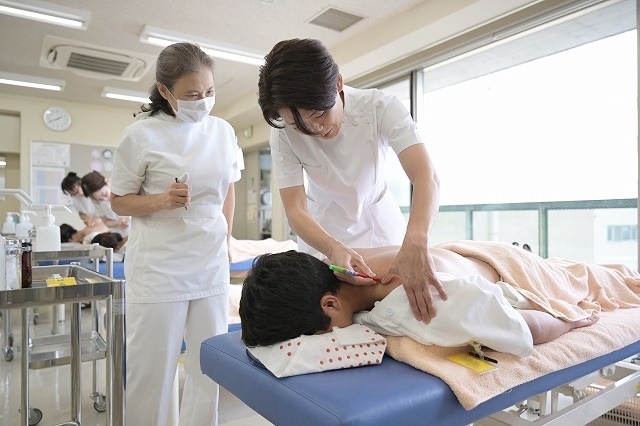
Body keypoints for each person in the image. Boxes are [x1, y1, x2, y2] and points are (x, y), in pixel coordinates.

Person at [258, 38, 443, 323]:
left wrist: (416, 242)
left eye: (319, 114)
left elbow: (425, 175)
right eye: (298, 125)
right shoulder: (283, 134)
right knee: (329, 321)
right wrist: (332, 248)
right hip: (322, 234)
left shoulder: (380, 108)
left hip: (380, 228)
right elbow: (295, 209)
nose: (315, 129)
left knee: (395, 313)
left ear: (338, 83)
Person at [109, 42, 242, 426]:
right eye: (192, 94)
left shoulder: (222, 131)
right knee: (152, 371)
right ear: (165, 91)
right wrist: (161, 201)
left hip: (210, 261)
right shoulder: (140, 135)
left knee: (208, 366)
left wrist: (227, 240)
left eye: (209, 91)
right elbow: (118, 202)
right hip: (159, 265)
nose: (203, 101)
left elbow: (228, 188)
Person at [237, 242, 640, 354]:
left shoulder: (416, 305)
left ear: (329, 305)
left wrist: (570, 319)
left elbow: (523, 330)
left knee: (611, 284)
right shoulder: (344, 266)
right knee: (591, 271)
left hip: (514, 270)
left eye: (318, 336)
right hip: (479, 254)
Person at [80, 171, 130, 235]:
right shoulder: (96, 202)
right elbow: (106, 222)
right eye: (100, 199)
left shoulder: (122, 185)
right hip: (120, 232)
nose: (104, 199)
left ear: (107, 182)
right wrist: (118, 222)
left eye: (104, 194)